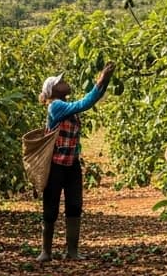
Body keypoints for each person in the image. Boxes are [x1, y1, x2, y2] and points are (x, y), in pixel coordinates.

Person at [37, 65, 114, 262]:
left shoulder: (64, 104)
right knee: (51, 207)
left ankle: (72, 250)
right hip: (55, 165)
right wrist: (100, 81)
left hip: (71, 164)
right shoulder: (56, 106)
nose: (65, 83)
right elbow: (85, 103)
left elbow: (88, 101)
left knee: (74, 205)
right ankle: (46, 251)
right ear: (53, 91)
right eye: (60, 83)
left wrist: (104, 82)